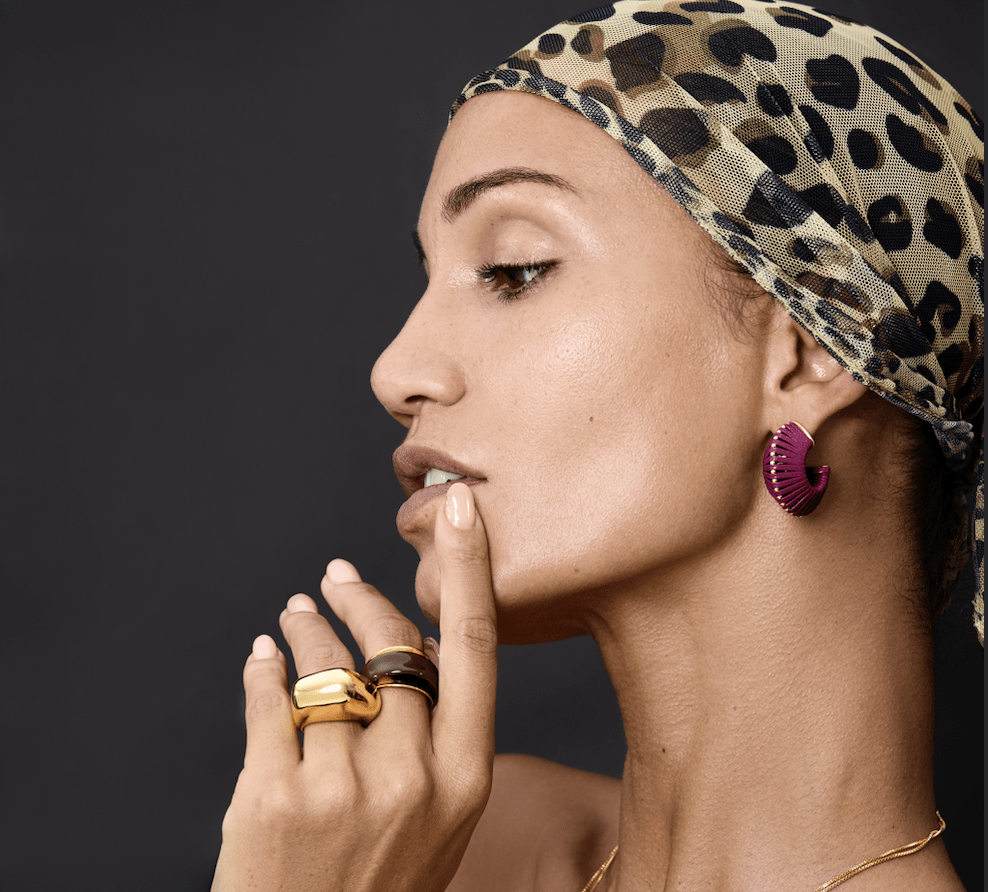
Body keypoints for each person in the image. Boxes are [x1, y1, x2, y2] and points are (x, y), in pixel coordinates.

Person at [211, 2, 983, 889]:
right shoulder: (421, 852)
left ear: (812, 346)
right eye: (429, 277)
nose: (396, 371)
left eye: (514, 270)